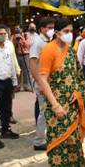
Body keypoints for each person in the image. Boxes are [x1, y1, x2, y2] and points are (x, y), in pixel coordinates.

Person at [38, 18, 85, 166]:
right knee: (59, 145)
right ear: (57, 33)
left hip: (72, 106)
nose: (69, 34)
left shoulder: (70, 50)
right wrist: (55, 105)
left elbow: (78, 75)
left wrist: (78, 92)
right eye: (66, 31)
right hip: (56, 108)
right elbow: (42, 80)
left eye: (71, 31)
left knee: (74, 142)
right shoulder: (49, 49)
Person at [29, 17, 55, 151]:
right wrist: (40, 82)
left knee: (46, 110)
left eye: (52, 28)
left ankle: (44, 136)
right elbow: (33, 63)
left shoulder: (46, 41)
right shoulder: (38, 43)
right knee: (44, 111)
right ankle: (39, 141)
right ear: (41, 29)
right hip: (42, 83)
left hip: (47, 82)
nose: (52, 30)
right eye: (49, 28)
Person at [12, 25, 32, 91]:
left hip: (25, 54)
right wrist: (15, 40)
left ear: (21, 29)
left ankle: (26, 86)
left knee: (26, 70)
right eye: (15, 28)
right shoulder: (13, 36)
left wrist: (22, 38)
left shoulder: (26, 35)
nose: (17, 29)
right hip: (17, 54)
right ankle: (18, 86)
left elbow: (28, 45)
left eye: (18, 28)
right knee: (17, 70)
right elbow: (12, 46)